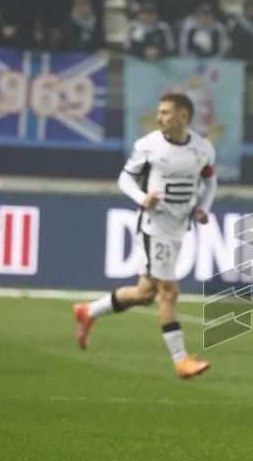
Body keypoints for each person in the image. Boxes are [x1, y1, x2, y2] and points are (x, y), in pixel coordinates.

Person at [73, 94, 216, 380]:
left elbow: (210, 180)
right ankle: (181, 360)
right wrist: (142, 198)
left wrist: (203, 207)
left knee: (144, 295)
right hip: (154, 226)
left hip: (179, 227)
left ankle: (89, 311)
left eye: (166, 112)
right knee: (169, 291)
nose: (160, 117)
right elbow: (125, 178)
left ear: (184, 117)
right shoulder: (148, 145)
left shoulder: (203, 149)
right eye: (159, 112)